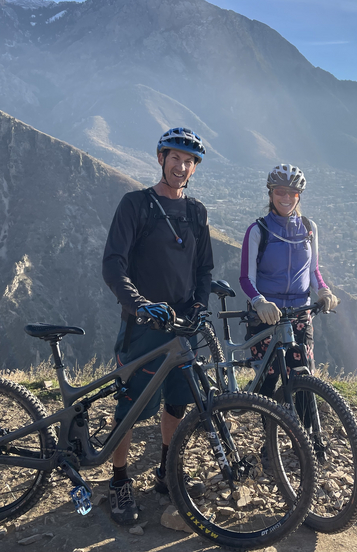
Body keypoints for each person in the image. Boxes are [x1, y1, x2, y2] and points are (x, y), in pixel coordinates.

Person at [101, 127, 213, 525]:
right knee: (131, 407)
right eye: (175, 159)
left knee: (177, 402)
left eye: (189, 162)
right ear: (161, 158)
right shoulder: (137, 205)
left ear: (194, 168)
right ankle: (118, 481)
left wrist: (199, 305)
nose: (181, 167)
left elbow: (204, 268)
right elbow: (113, 265)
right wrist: (142, 306)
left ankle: (166, 473)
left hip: (183, 326)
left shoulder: (197, 213)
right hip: (144, 326)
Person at [238, 164, 338, 398]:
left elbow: (313, 271)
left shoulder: (308, 228)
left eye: (292, 193)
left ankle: (307, 433)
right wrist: (259, 302)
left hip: (300, 315)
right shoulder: (258, 230)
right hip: (267, 317)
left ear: (299, 195)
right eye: (279, 191)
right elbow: (246, 277)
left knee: (304, 380)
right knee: (268, 381)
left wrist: (323, 290)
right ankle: (268, 429)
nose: (286, 197)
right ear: (270, 193)